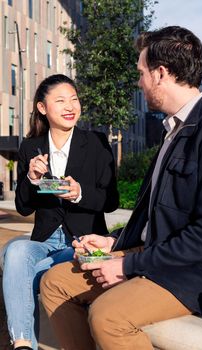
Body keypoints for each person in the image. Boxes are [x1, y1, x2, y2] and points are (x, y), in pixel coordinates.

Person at [40, 26, 202, 350]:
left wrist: (127, 266)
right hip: (155, 254)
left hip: (197, 271)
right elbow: (158, 214)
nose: (138, 81)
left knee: (108, 316)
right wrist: (112, 242)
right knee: (55, 282)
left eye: (141, 72)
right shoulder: (172, 130)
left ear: (160, 73)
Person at [2, 74, 119, 350]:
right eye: (61, 100)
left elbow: (111, 200)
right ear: (42, 108)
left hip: (84, 242)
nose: (70, 106)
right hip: (45, 242)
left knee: (16, 266)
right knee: (17, 251)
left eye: (74, 99)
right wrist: (30, 179)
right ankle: (22, 344)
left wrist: (79, 193)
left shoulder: (97, 143)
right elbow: (23, 206)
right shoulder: (31, 148)